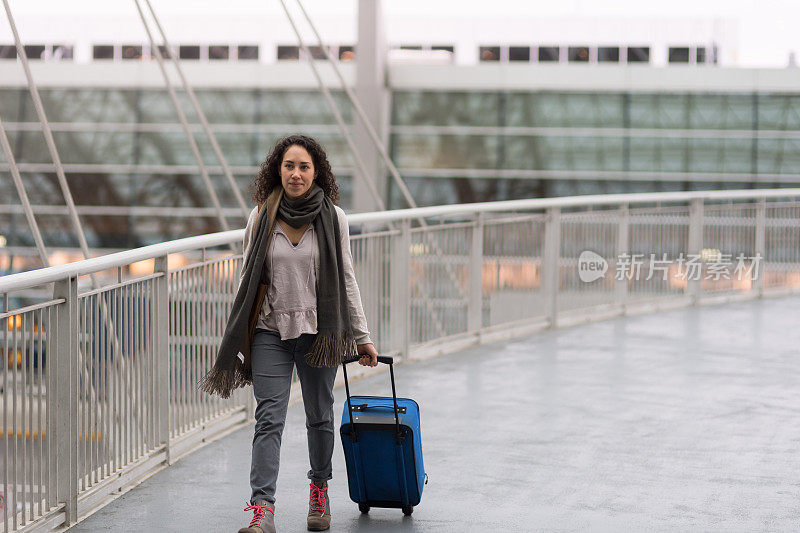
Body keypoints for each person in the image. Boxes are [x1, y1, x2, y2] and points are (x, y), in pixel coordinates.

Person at [200, 134, 379, 533]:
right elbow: (247, 279)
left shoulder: (333, 218)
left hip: (320, 333)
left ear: (317, 173)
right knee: (269, 419)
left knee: (319, 416)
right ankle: (262, 510)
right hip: (269, 331)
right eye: (289, 166)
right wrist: (238, 333)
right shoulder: (259, 216)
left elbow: (346, 277)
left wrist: (362, 335)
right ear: (276, 170)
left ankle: (319, 489)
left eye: (304, 167)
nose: (296, 174)